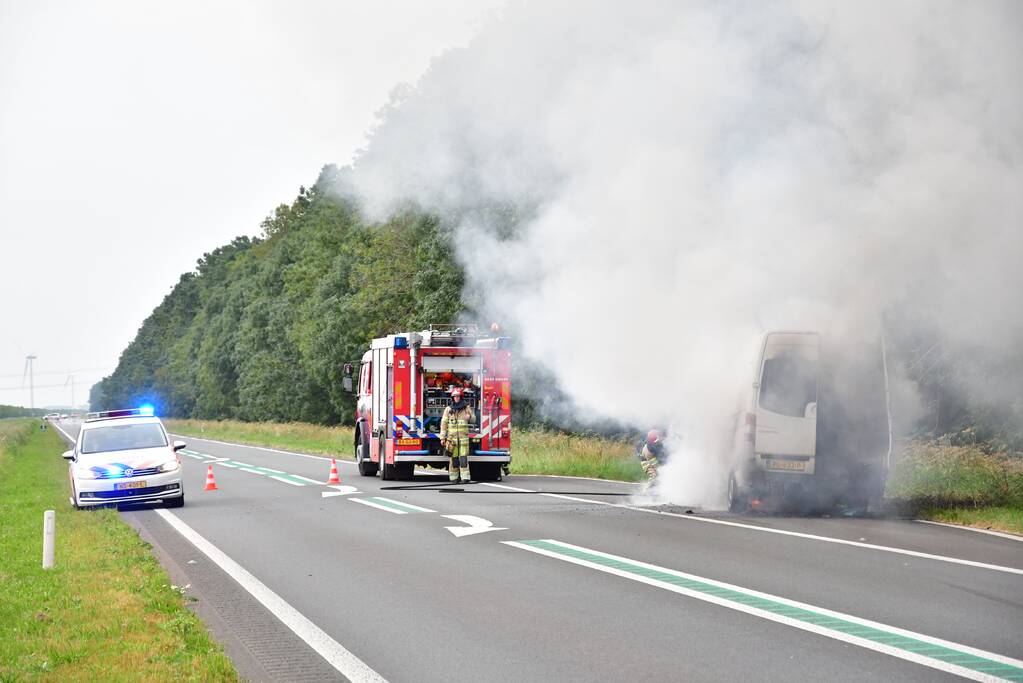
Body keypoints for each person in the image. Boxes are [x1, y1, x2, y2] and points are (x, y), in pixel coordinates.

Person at [440, 387, 475, 483]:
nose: (457, 398)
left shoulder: (466, 408)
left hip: (463, 439)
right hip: (452, 440)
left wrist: (469, 417)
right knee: (454, 459)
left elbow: (474, 419)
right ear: (452, 398)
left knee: (463, 459)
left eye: (458, 396)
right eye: (455, 396)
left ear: (461, 397)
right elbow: (444, 423)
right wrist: (442, 438)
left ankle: (465, 478)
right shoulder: (448, 409)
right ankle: (454, 478)